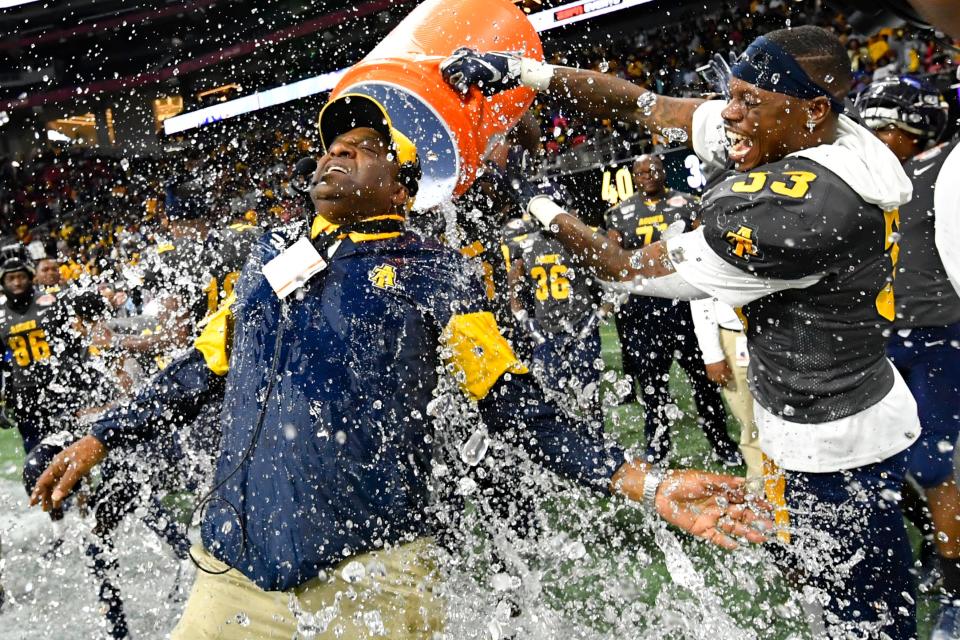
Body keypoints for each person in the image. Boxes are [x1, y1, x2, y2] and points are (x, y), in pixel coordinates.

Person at [31, 94, 768, 639]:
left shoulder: (440, 275)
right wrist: (105, 436)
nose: (335, 154)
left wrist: (642, 479)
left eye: (361, 146)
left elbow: (513, 406)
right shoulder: (265, 258)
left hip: (373, 576)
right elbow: (198, 369)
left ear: (403, 184)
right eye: (331, 145)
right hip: (233, 565)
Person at [442, 24, 919, 638]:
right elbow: (645, 105)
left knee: (865, 619)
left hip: (831, 440)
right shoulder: (810, 129)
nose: (731, 114)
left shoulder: (802, 211)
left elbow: (618, 267)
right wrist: (522, 73)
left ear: (813, 109)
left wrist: (531, 198)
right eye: (734, 94)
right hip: (826, 407)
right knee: (831, 587)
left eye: (750, 102)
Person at [858, 76, 960, 639]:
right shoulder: (872, 178)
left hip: (939, 334)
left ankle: (956, 587)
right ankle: (930, 552)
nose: (876, 138)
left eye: (887, 128)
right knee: (887, 463)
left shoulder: (947, 169)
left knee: (931, 466)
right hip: (881, 340)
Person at [604, 154, 741, 465]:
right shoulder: (620, 212)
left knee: (703, 382)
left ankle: (721, 443)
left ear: (663, 171)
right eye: (640, 171)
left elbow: (704, 250)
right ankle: (658, 446)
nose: (648, 175)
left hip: (684, 306)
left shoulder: (688, 202)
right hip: (643, 310)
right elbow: (614, 259)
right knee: (652, 386)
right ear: (634, 177)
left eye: (653, 169)